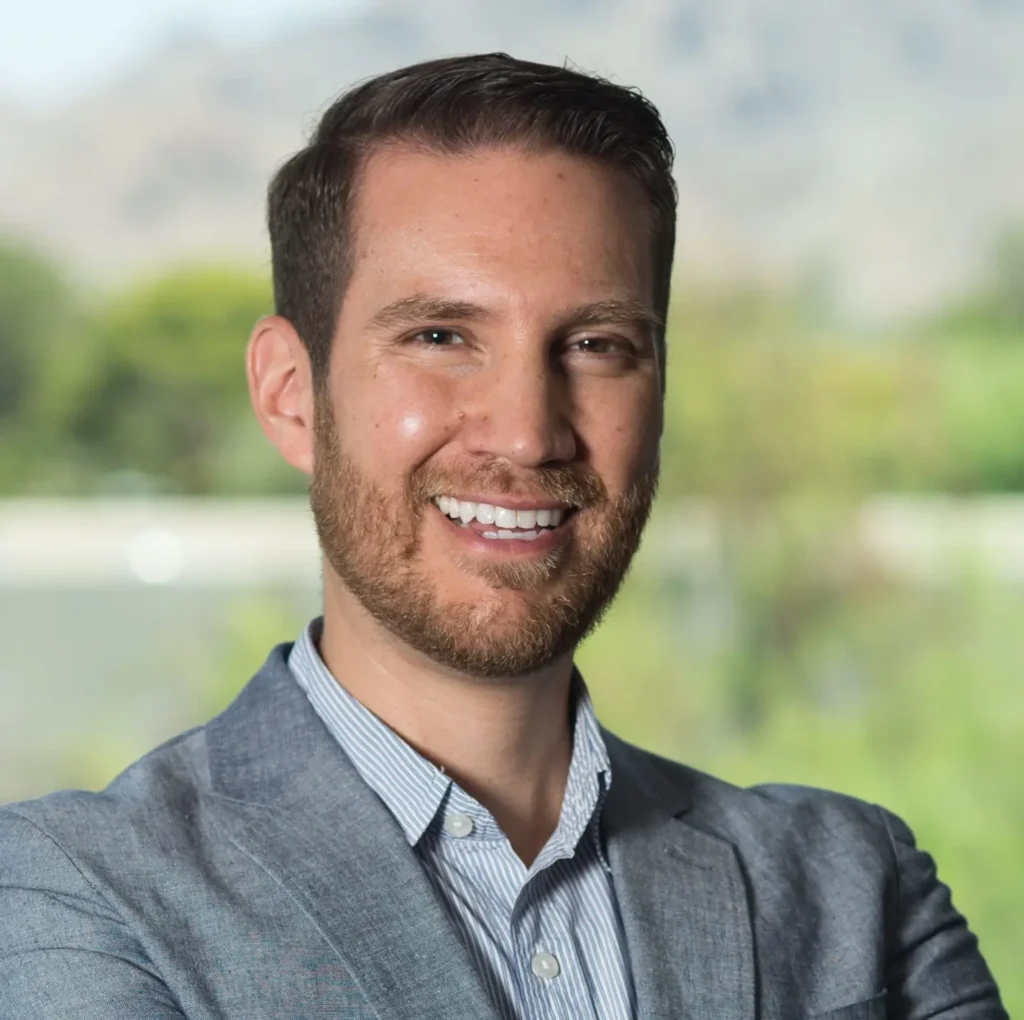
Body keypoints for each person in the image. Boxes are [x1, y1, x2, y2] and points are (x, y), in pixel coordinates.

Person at [0, 53, 1007, 1020]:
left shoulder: (855, 885)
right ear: (291, 394)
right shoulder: (77, 896)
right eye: (440, 337)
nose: (527, 433)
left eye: (596, 344)